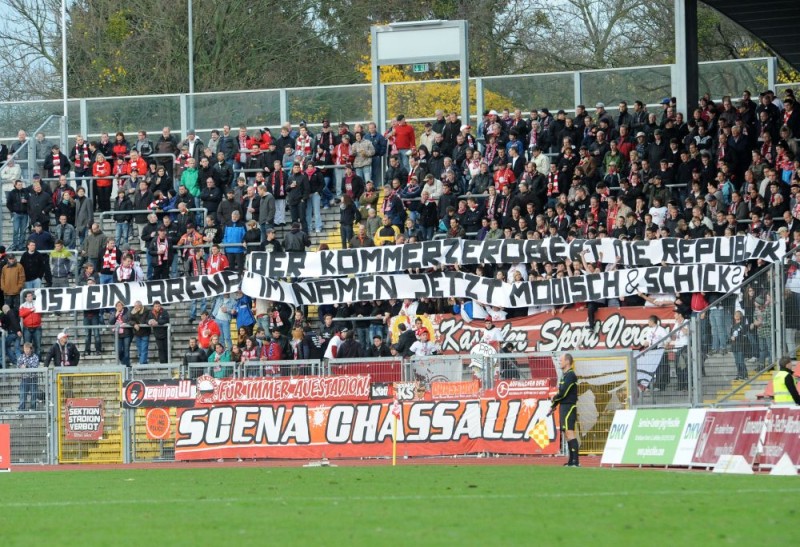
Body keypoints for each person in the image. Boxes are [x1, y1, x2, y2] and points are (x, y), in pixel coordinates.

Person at [549, 353, 580, 467]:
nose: (559, 362)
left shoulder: (571, 375)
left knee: (570, 432)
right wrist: (553, 406)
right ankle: (571, 461)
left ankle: (575, 461)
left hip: (569, 406)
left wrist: (554, 398)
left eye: (561, 360)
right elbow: (561, 393)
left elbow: (563, 393)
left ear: (567, 361)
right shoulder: (564, 375)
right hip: (563, 406)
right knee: (566, 434)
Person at [108, 300, 133, 366]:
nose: (119, 307)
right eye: (117, 306)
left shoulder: (127, 312)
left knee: (126, 350)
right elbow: (110, 322)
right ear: (115, 307)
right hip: (117, 335)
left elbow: (130, 320)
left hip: (126, 334)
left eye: (120, 305)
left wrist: (124, 323)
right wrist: (115, 316)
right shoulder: (113, 313)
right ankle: (124, 361)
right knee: (118, 350)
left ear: (123, 306)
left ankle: (127, 366)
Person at [17, 342, 39, 411]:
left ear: (31, 349)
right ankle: (21, 409)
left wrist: (26, 366)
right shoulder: (21, 357)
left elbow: (35, 366)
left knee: (33, 395)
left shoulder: (35, 357)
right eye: (25, 348)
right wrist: (21, 366)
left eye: (27, 348)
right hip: (24, 379)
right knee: (22, 395)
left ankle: (33, 408)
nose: (26, 350)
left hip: (33, 378)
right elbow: (18, 366)